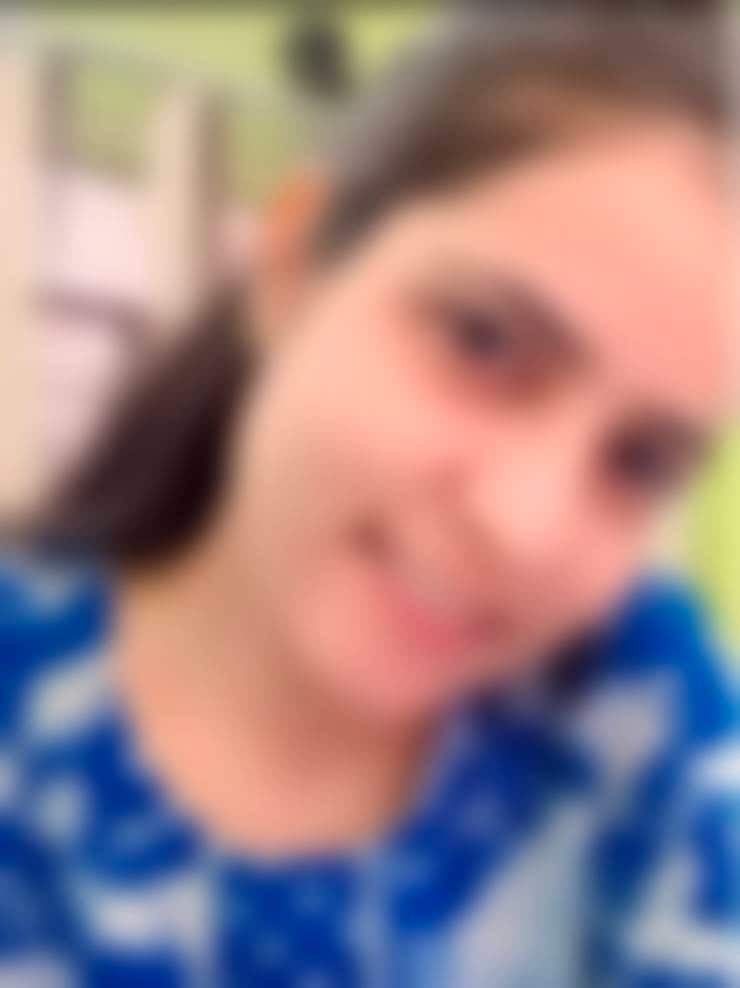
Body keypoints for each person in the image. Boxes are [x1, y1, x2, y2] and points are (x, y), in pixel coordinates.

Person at [1, 7, 738, 986]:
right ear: (294, 261)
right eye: (482, 340)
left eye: (638, 460)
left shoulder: (641, 717)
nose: (523, 523)